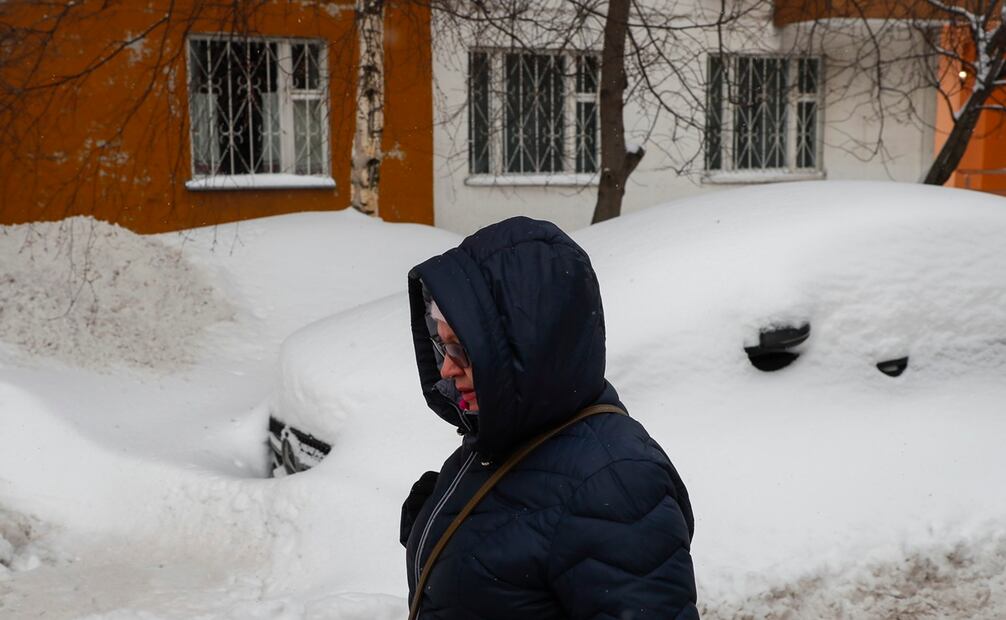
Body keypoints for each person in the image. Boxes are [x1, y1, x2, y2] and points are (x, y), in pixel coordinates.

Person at [401, 216, 697, 619]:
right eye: (442, 346)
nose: (448, 369)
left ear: (527, 349)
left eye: (463, 350)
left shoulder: (617, 484)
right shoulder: (501, 439)